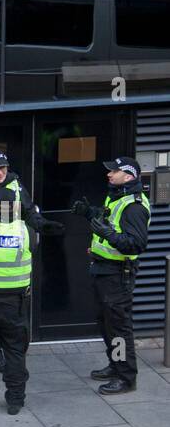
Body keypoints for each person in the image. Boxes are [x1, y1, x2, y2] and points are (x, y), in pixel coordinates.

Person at [0, 151, 65, 416]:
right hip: (16, 298)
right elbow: (33, 226)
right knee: (16, 351)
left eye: (4, 168)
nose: (1, 172)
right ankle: (15, 400)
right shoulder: (25, 232)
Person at [74, 156, 151, 395]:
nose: (109, 174)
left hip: (118, 274)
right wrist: (90, 213)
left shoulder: (135, 206)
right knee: (106, 324)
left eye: (114, 171)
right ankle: (115, 364)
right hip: (103, 270)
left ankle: (125, 377)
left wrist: (106, 233)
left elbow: (135, 245)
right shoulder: (117, 196)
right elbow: (109, 220)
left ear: (128, 176)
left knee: (118, 327)